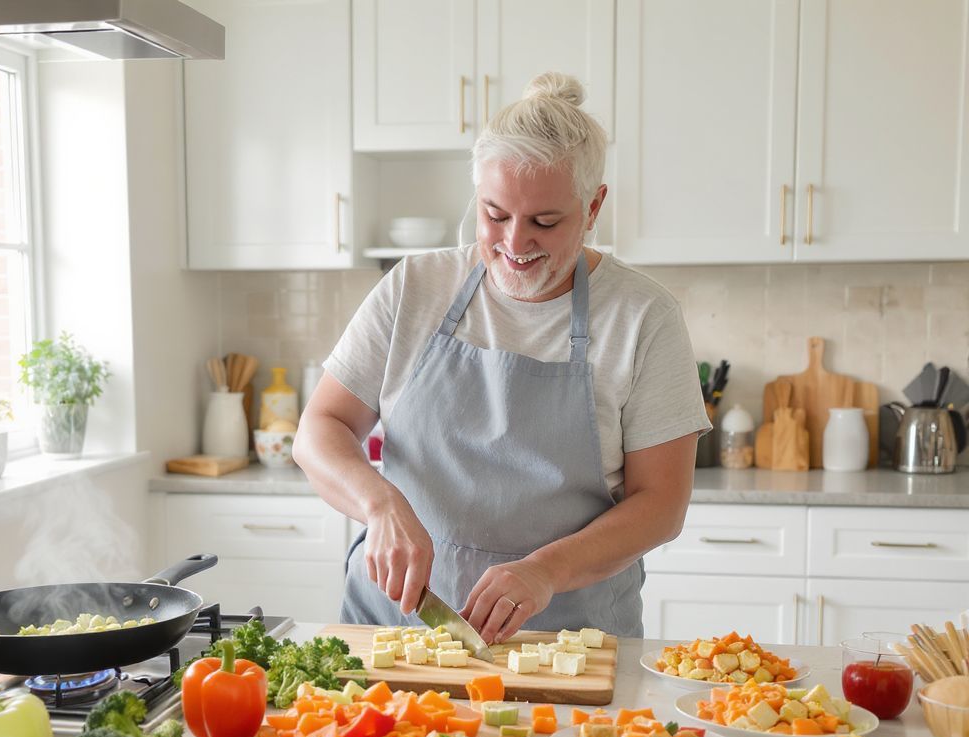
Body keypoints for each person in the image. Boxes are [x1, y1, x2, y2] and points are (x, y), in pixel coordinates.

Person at [292, 72, 710, 643]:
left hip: (567, 640)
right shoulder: (415, 286)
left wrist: (546, 571)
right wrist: (379, 503)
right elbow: (320, 428)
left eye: (545, 222)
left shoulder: (643, 316)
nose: (515, 244)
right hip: (398, 632)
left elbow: (661, 504)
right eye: (495, 215)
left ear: (594, 208)